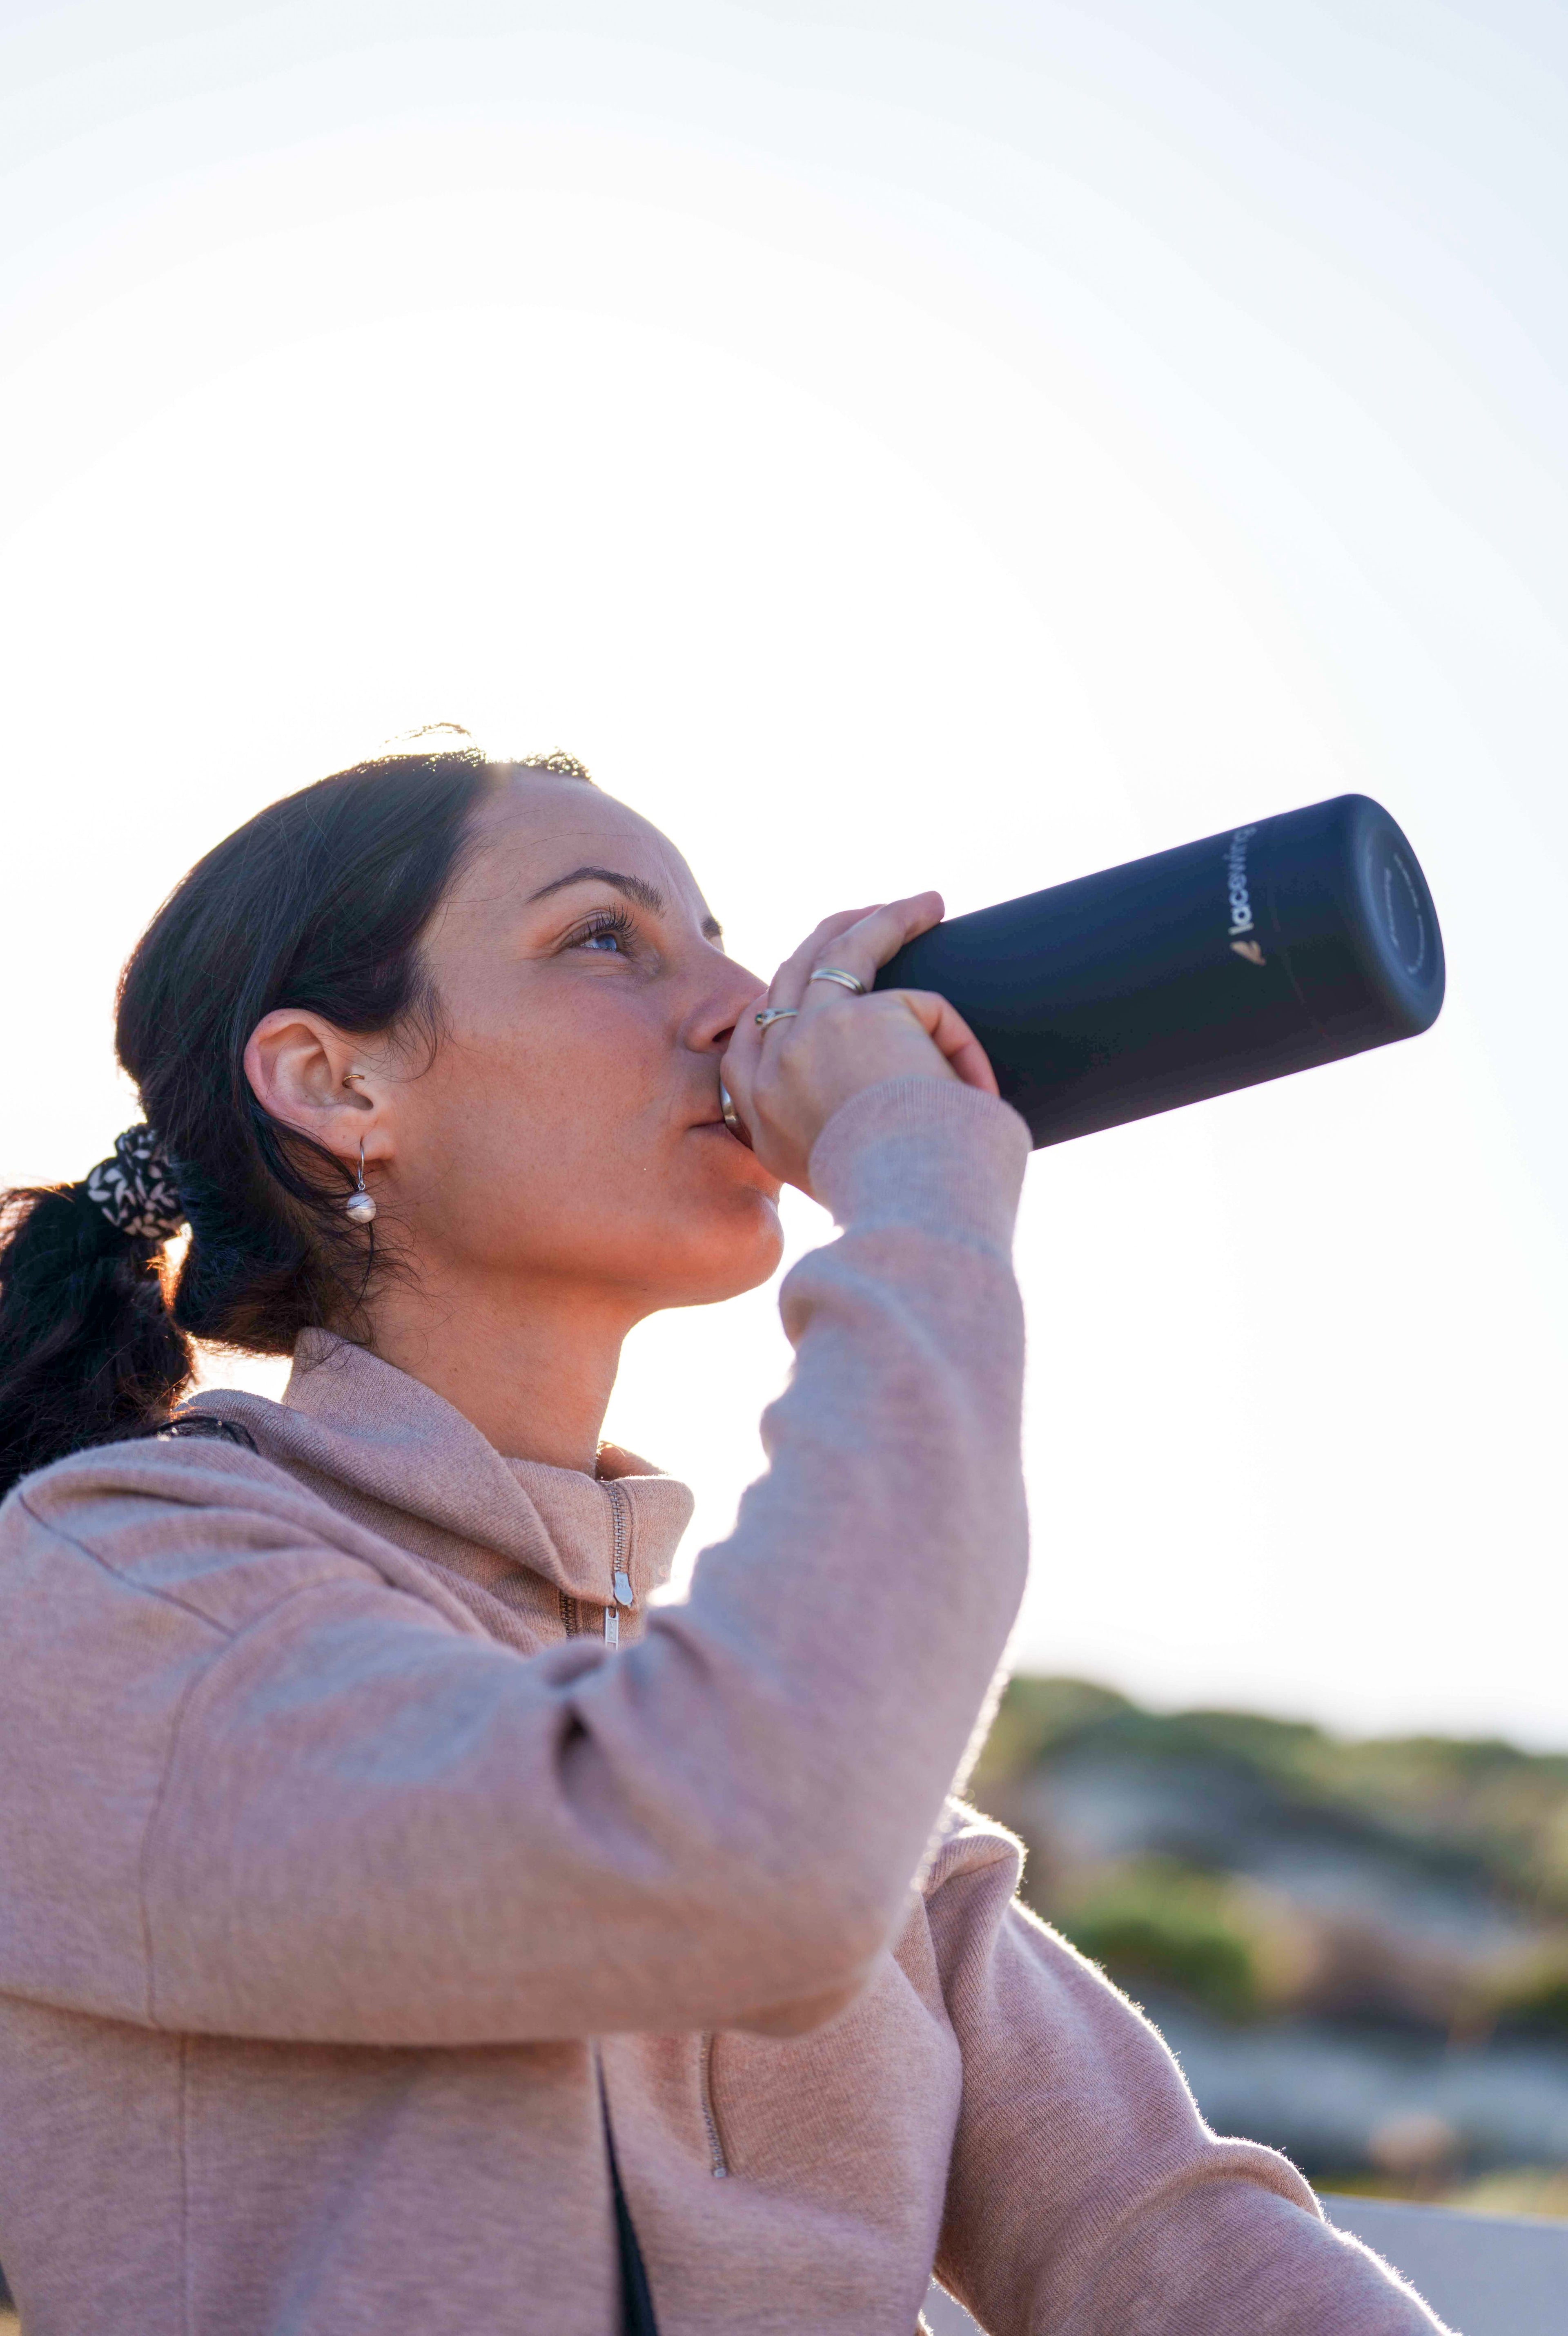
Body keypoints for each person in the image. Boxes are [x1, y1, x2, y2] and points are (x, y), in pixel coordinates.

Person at [0, 743, 1444, 2336]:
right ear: (341, 1084)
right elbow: (739, 1852)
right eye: (607, 938)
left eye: (717, 937)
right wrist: (918, 1199)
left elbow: (1161, 2242)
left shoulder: (811, 1776)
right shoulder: (118, 1587)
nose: (739, 1002)